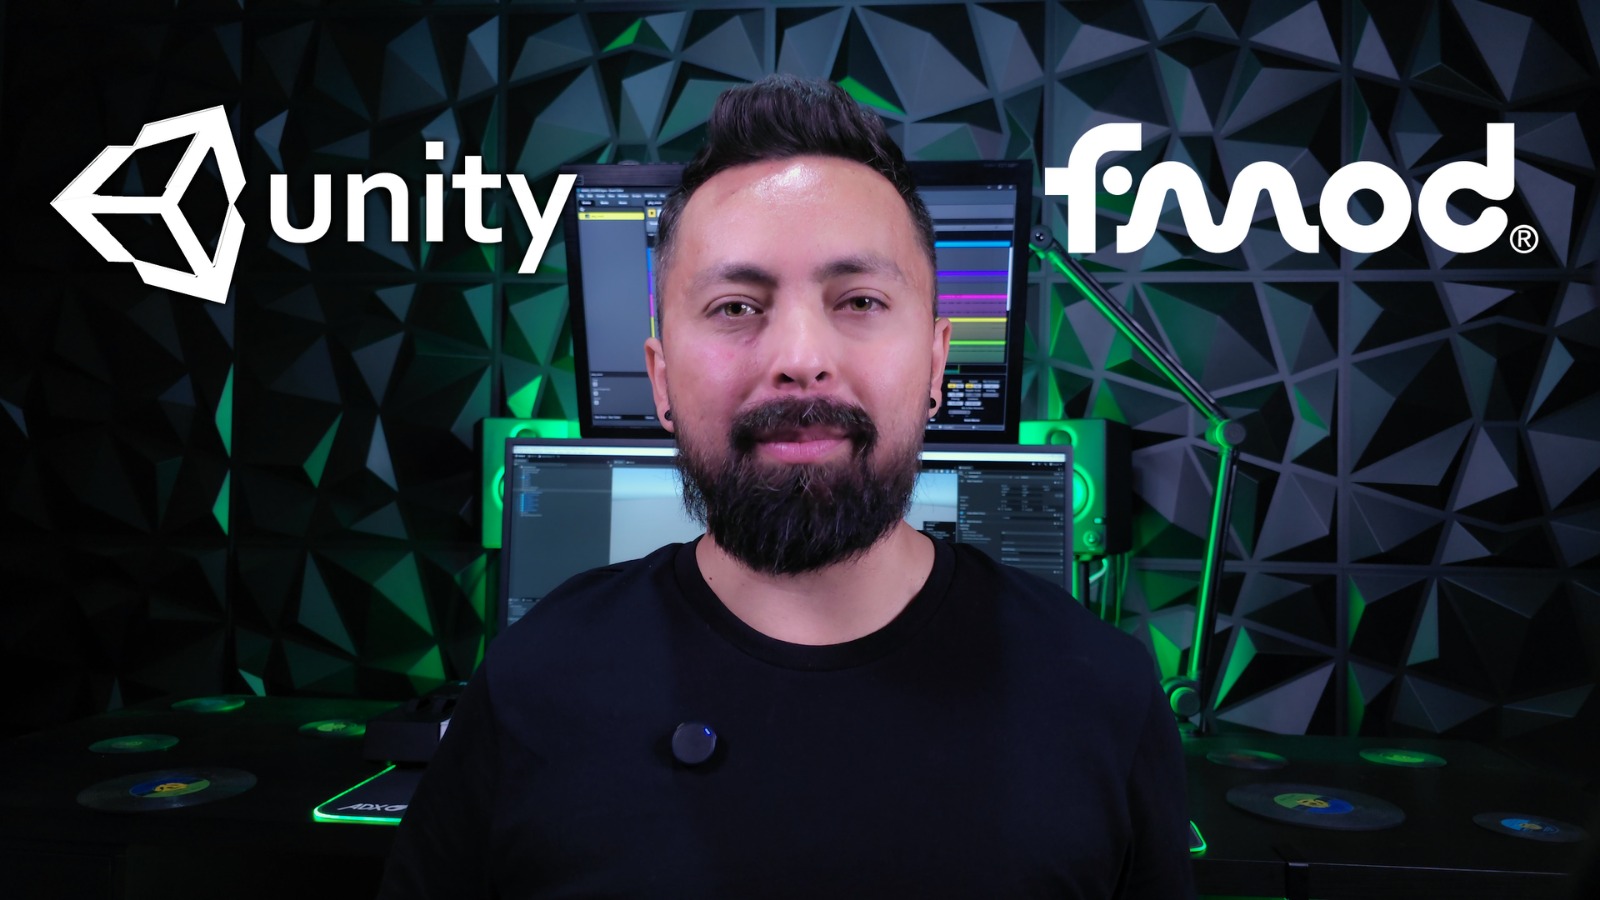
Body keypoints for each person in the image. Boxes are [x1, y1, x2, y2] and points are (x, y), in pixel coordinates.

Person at [380, 75, 1194, 898]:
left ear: (939, 363)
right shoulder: (536, 679)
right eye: (736, 307)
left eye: (861, 300)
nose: (800, 357)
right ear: (659, 379)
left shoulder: (1103, 697)